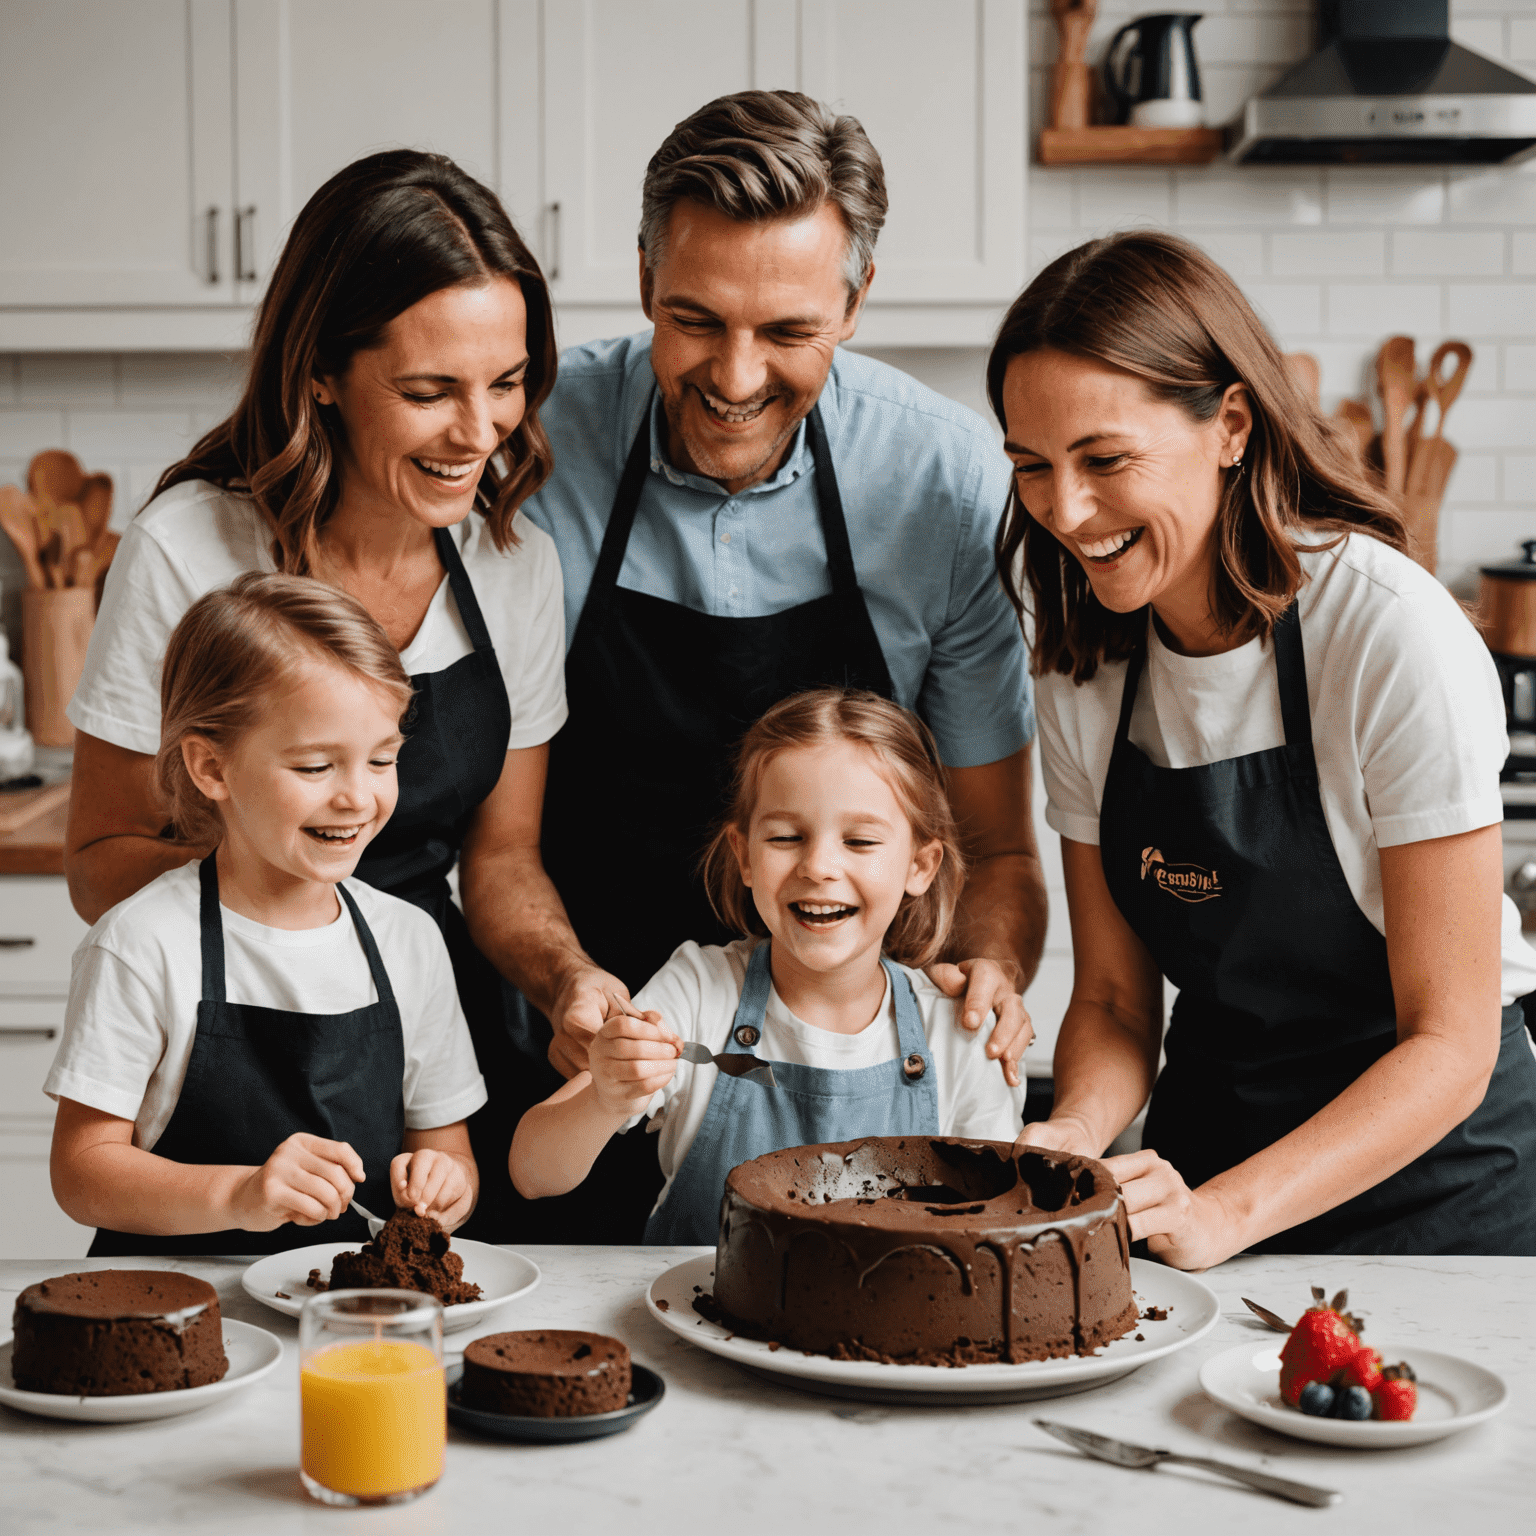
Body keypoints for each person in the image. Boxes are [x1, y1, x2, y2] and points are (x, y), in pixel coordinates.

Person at [486, 90, 1047, 1240]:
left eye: (788, 332)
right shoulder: (528, 446)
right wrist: (570, 994)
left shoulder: (943, 489)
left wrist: (984, 975)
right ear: (644, 278)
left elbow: (992, 848)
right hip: (569, 1049)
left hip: (846, 1097)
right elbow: (491, 837)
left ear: (856, 301)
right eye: (695, 320)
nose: (736, 378)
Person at [994, 231, 1536, 1262]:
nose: (1064, 510)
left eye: (1106, 460)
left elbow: (1452, 1041)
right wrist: (1071, 1136)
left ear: (1230, 425)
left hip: (1442, 1194)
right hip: (1212, 1163)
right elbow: (1111, 1001)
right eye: (1032, 465)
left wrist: (1228, 1213)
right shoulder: (1082, 667)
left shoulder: (1387, 634)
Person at [61, 150, 564, 1241]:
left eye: (508, 382)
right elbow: (100, 858)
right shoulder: (191, 547)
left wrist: (568, 984)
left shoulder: (514, 564)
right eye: (430, 391)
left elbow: (502, 858)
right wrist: (282, 916)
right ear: (323, 372)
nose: (481, 433)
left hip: (432, 1044)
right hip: (225, 1047)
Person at [49, 576, 485, 1253]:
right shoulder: (143, 943)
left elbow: (449, 1149)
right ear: (211, 768)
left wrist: (446, 1184)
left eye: (381, 760)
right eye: (316, 767)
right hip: (178, 1312)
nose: (358, 797)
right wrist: (238, 1195)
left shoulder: (409, 940)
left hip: (353, 1326)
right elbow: (81, 1172)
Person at [509, 689, 1026, 1241]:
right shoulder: (699, 993)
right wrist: (605, 1097)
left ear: (920, 866)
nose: (820, 866)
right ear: (745, 855)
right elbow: (533, 1172)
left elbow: (1001, 1228)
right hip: (695, 1322)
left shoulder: (959, 1032)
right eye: (786, 837)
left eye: (859, 840)